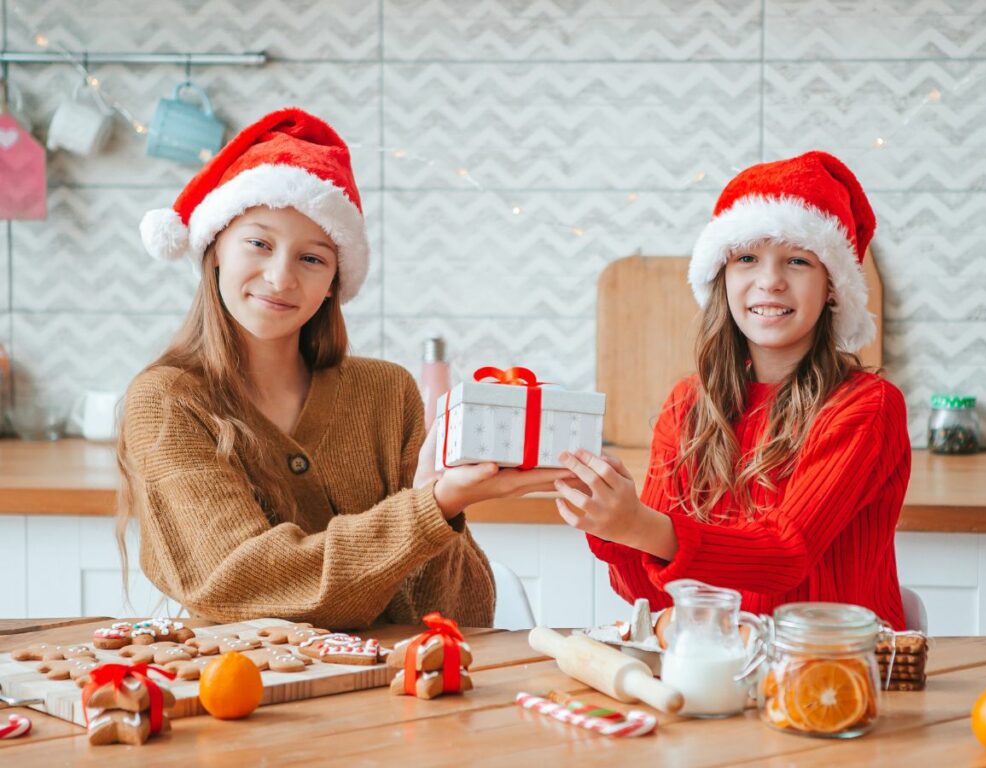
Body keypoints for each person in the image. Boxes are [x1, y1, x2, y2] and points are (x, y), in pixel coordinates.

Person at [117, 108, 568, 628]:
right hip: (241, 693)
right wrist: (429, 508)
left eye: (312, 258)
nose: (281, 278)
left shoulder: (388, 392)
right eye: (259, 243)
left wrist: (436, 499)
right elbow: (245, 586)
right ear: (215, 248)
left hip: (392, 698)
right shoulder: (169, 400)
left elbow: (461, 616)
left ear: (334, 280)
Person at [555, 151, 911, 629]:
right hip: (720, 671)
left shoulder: (866, 407)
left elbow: (786, 554)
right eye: (747, 258)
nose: (770, 281)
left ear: (832, 287)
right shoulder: (688, 407)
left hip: (834, 675)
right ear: (722, 278)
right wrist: (613, 524)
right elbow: (651, 596)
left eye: (798, 260)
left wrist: (640, 526)